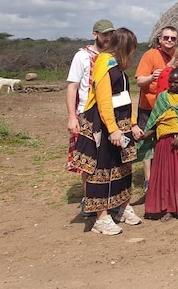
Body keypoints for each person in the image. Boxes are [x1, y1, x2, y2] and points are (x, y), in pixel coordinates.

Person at [71, 28, 143, 235]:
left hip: (121, 123)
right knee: (101, 170)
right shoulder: (105, 62)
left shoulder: (118, 67)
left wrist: (133, 124)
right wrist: (112, 130)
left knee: (123, 167)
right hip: (103, 125)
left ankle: (121, 206)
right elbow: (103, 100)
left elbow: (125, 97)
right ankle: (101, 217)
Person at [65, 19, 114, 211]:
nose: (108, 38)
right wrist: (72, 117)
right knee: (88, 160)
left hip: (108, 112)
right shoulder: (82, 57)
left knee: (107, 158)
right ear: (95, 35)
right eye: (104, 34)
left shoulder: (111, 56)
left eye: (111, 34)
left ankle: (105, 198)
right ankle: (89, 199)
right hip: (87, 112)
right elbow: (72, 87)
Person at [140, 68, 178, 221]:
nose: (172, 84)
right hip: (164, 143)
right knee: (164, 176)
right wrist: (144, 135)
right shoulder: (162, 98)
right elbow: (154, 121)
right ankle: (166, 209)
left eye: (175, 82)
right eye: (170, 81)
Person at [136, 25, 178, 190]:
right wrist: (152, 77)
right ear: (159, 39)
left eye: (172, 38)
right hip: (149, 105)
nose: (169, 41)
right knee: (147, 141)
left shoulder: (177, 56)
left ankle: (165, 175)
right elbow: (139, 81)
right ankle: (148, 179)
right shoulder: (151, 55)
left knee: (166, 140)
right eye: (166, 37)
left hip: (169, 107)